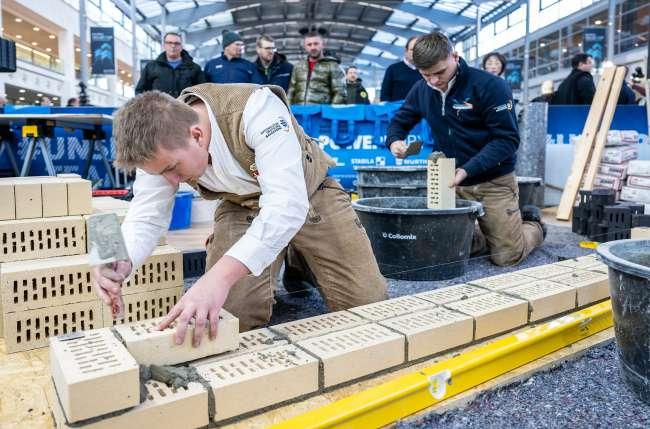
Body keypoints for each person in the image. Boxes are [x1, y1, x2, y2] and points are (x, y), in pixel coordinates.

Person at [92, 84, 387, 345]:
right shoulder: (158, 148)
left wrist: (217, 278)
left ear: (197, 135)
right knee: (230, 319)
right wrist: (119, 259)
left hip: (310, 196)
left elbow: (286, 207)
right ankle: (285, 251)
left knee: (369, 308)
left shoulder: (257, 110)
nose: (171, 181)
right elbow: (146, 216)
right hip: (242, 205)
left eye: (172, 169)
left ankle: (300, 258)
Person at [386, 32, 544, 267]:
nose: (434, 81)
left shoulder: (490, 86)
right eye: (426, 74)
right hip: (450, 183)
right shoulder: (421, 89)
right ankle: (485, 235)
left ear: (455, 56)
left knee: (506, 256)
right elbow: (399, 121)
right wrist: (395, 141)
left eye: (440, 72)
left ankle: (533, 226)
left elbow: (507, 140)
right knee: (443, 250)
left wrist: (467, 169)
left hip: (493, 181)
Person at [135, 32, 205, 98]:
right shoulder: (151, 67)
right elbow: (140, 91)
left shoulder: (194, 68)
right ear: (164, 45)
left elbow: (202, 92)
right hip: (159, 106)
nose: (173, 46)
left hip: (185, 106)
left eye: (177, 43)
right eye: (169, 43)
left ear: (181, 46)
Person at [287, 31, 346, 104]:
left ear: (323, 45)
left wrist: (329, 110)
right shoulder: (298, 67)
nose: (313, 47)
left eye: (316, 44)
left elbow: (340, 93)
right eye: (309, 44)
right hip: (299, 110)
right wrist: (288, 109)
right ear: (305, 47)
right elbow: (291, 91)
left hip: (321, 111)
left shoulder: (333, 66)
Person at [380, 36, 422, 102]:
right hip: (398, 108)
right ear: (406, 51)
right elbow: (384, 96)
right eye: (412, 50)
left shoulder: (427, 70)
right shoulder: (393, 69)